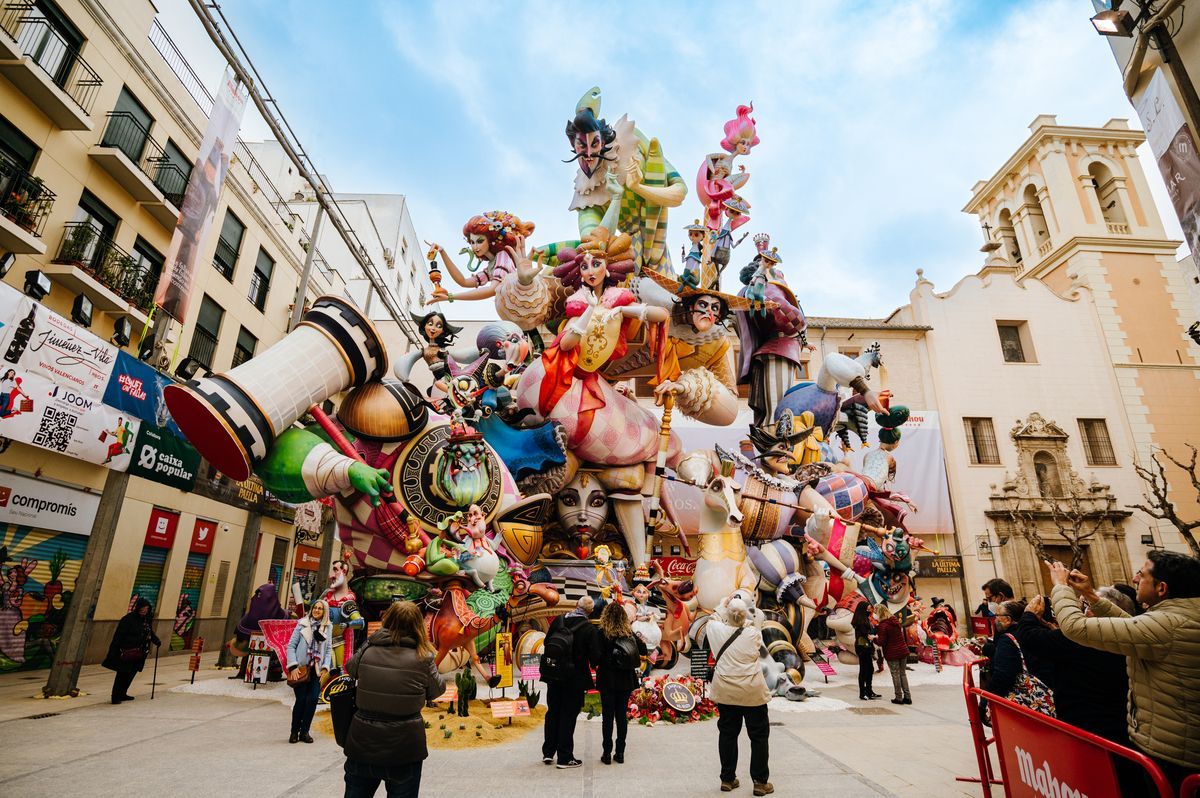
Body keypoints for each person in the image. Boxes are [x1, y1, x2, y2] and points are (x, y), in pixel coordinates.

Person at [1049, 552, 1200, 792]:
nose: (1134, 578)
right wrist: (1089, 595)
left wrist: (1059, 586)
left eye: (1142, 574)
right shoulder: (1180, 616)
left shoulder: (1167, 626)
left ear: (1162, 588)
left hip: (1171, 754)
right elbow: (1133, 625)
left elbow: (1075, 627)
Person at [343, 600, 446, 798]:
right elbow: (437, 690)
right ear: (418, 625)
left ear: (387, 619)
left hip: (363, 742)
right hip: (404, 746)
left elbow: (350, 669)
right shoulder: (423, 657)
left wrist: (370, 641)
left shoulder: (368, 648)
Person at [1018, 589, 1130, 744]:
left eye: (1086, 605)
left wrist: (1029, 614)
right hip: (1120, 723)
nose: (1083, 610)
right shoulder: (1127, 637)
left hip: (1086, 728)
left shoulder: (1083, 638)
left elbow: (1029, 638)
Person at [706, 596, 773, 796]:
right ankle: (760, 782)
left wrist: (723, 603)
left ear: (728, 615)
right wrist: (744, 612)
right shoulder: (753, 633)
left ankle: (727, 778)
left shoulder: (716, 630)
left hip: (726, 690)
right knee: (759, 736)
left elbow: (712, 618)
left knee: (727, 733)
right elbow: (758, 616)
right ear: (744, 616)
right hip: (752, 690)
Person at [541, 595, 598, 769]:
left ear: (575, 605)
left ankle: (548, 752)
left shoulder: (559, 621)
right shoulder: (589, 629)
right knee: (567, 715)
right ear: (591, 612)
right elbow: (594, 657)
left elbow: (546, 642)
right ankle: (565, 757)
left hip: (553, 674)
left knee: (553, 712)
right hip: (574, 679)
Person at [590, 600, 647, 764]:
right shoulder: (628, 632)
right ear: (623, 617)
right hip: (625, 679)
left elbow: (595, 657)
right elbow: (643, 650)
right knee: (621, 716)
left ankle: (606, 753)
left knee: (607, 717)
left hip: (607, 679)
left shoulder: (601, 633)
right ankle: (620, 752)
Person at [285, 599, 332, 744]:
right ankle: (294, 732)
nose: (317, 610)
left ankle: (305, 732)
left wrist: (325, 667)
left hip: (316, 670)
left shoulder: (327, 627)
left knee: (311, 700)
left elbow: (329, 649)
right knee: (301, 700)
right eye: (315, 608)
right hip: (301, 669)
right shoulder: (302, 624)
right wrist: (292, 667)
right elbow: (291, 646)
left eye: (320, 608)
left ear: (324, 612)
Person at [102, 597, 160, 704]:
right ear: (138, 608)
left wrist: (156, 640)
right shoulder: (128, 619)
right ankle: (115, 696)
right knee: (122, 673)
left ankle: (123, 693)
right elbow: (118, 636)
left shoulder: (146, 619)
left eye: (146, 609)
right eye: (143, 609)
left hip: (139, 653)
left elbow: (149, 632)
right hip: (127, 651)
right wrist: (113, 651)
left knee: (132, 673)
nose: (144, 611)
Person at [874, 604, 912, 705]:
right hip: (902, 651)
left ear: (879, 613)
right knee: (902, 674)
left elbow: (881, 642)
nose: (874, 615)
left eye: (875, 613)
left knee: (895, 675)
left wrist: (873, 638)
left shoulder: (883, 625)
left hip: (892, 653)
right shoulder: (894, 621)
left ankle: (898, 697)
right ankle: (907, 697)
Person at [851, 602, 881, 701]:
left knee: (870, 669)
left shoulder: (865, 619)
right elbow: (866, 634)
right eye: (868, 609)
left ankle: (869, 690)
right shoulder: (861, 621)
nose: (870, 611)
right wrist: (872, 635)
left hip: (866, 647)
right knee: (864, 670)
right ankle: (862, 692)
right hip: (863, 647)